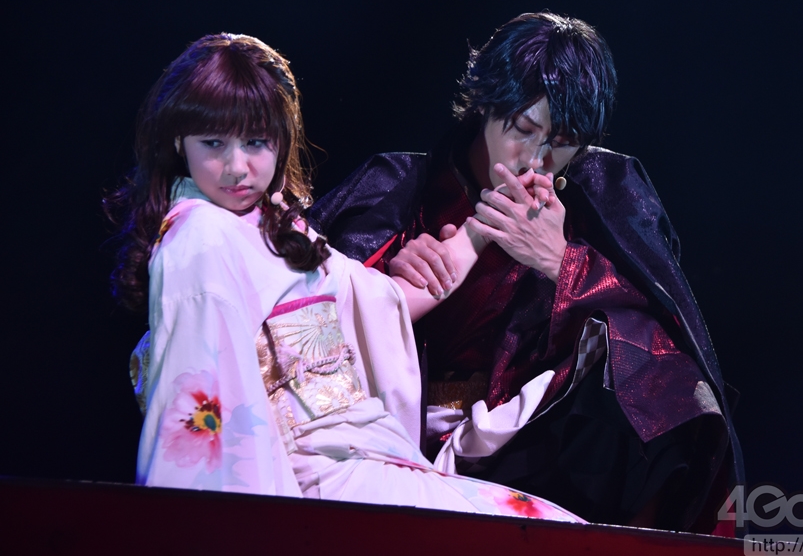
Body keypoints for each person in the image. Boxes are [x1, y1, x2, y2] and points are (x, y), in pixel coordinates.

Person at [105, 33, 582, 521]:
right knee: (547, 536)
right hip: (309, 476)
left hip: (358, 461)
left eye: (256, 142)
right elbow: (203, 407)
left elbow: (382, 303)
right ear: (178, 142)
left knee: (556, 530)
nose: (237, 167)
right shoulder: (200, 235)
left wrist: (483, 226)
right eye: (213, 143)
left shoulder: (272, 226)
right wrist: (256, 522)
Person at [309, 12, 743, 532]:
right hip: (394, 427)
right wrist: (380, 279)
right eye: (523, 129)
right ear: (484, 105)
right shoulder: (396, 187)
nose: (536, 160)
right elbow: (298, 308)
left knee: (666, 377)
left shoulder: (607, 193)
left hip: (533, 447)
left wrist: (562, 263)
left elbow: (671, 327)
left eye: (562, 141)